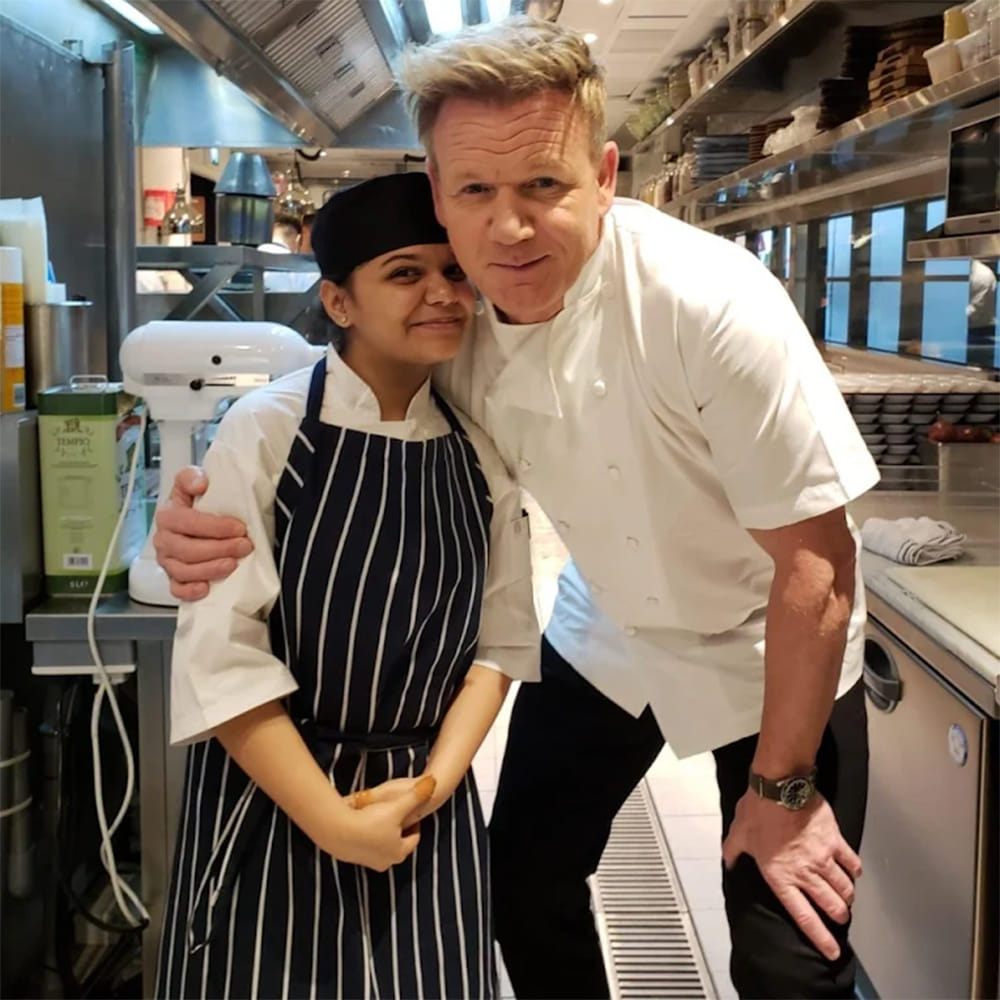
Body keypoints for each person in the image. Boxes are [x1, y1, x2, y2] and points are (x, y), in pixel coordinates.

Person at [152, 18, 880, 1000]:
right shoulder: (459, 324)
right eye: (475, 192)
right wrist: (196, 514)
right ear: (439, 193)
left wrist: (782, 791)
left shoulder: (707, 303)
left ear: (604, 177)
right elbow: (338, 392)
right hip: (609, 629)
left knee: (787, 949)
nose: (508, 230)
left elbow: (816, 566)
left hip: (770, 638)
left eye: (542, 184)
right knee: (522, 885)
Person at [155, 171, 539, 1000]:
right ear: (338, 302)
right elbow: (225, 657)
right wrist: (330, 820)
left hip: (422, 803)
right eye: (405, 273)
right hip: (277, 798)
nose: (441, 293)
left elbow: (498, 648)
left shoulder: (480, 454)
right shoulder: (267, 432)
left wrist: (431, 788)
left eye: (454, 271)